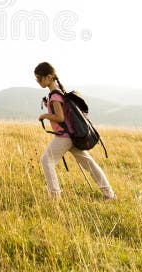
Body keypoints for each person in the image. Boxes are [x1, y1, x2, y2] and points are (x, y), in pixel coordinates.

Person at [35, 61, 116, 200]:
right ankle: (109, 194)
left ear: (49, 77)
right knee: (89, 164)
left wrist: (45, 115)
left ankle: (55, 198)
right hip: (73, 136)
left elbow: (60, 118)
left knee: (46, 160)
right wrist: (48, 105)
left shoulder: (54, 95)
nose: (38, 81)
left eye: (39, 78)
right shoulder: (59, 93)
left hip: (64, 137)